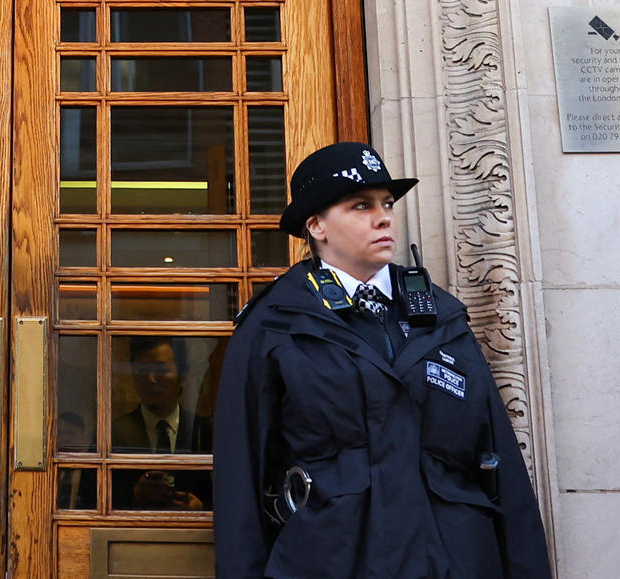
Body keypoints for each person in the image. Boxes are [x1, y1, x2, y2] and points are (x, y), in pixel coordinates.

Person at [212, 141, 551, 579]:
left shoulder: (443, 318)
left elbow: (498, 457)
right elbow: (240, 476)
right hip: (332, 559)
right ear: (316, 225)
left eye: (387, 203)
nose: (384, 216)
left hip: (454, 557)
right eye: (360, 205)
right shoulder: (273, 325)